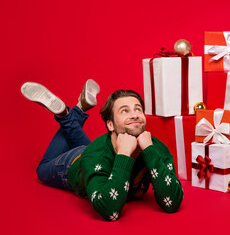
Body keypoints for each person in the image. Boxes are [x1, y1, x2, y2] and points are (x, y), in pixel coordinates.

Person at [20, 79, 183, 221]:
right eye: (125, 111)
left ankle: (72, 112)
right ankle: (67, 115)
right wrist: (124, 155)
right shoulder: (95, 154)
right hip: (74, 163)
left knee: (93, 150)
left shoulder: (157, 148)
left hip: (98, 155)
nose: (134, 115)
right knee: (42, 169)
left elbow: (172, 203)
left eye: (138, 109)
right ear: (110, 124)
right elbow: (109, 211)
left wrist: (149, 150)